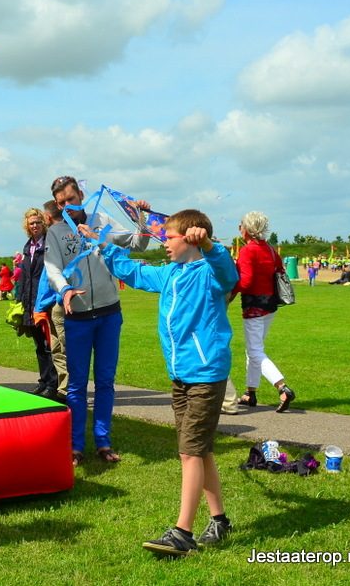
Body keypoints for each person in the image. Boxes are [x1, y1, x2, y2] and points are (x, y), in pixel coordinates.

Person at [88, 209, 237, 556]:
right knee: (201, 450)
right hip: (181, 375)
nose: (164, 243)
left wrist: (209, 245)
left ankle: (183, 533)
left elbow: (227, 272)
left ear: (191, 238)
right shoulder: (171, 273)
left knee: (189, 452)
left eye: (169, 237)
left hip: (206, 374)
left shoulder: (210, 274)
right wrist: (101, 244)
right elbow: (134, 272)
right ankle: (220, 520)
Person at [44, 175, 152, 466]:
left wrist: (141, 219)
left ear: (81, 195)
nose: (68, 205)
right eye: (61, 202)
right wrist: (64, 289)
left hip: (108, 315)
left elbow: (138, 244)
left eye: (71, 198)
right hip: (77, 318)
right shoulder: (56, 232)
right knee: (77, 384)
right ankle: (75, 445)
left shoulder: (102, 220)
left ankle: (103, 442)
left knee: (105, 382)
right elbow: (52, 269)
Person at [229, 212, 296, 413]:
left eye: (241, 226)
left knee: (255, 351)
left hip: (254, 306)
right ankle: (250, 393)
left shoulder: (247, 250)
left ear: (245, 229)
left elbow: (246, 281)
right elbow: (279, 269)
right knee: (254, 350)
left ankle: (282, 387)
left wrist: (229, 291)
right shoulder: (269, 248)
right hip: (270, 304)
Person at [20, 208, 60, 401]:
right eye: (31, 223)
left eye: (37, 222)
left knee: (49, 344)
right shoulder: (28, 247)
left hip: (45, 300)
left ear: (43, 223)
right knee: (39, 345)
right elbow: (24, 276)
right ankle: (44, 381)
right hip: (30, 302)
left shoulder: (49, 244)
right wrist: (20, 300)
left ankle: (54, 384)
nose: (34, 226)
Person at [41, 200, 68, 400]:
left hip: (59, 299)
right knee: (57, 349)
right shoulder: (56, 234)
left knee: (65, 347)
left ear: (48, 216)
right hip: (53, 301)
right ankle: (62, 389)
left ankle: (68, 390)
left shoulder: (58, 235)